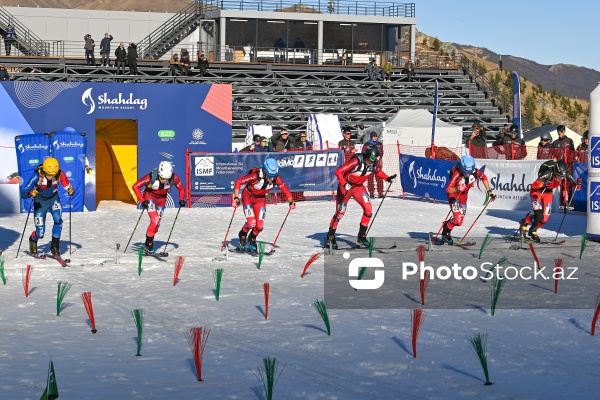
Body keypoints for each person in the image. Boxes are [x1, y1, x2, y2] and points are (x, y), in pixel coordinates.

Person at [324, 145, 395, 249]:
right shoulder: (356, 161)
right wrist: (344, 183)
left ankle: (361, 237)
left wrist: (387, 178)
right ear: (365, 156)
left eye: (373, 162)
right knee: (340, 213)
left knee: (368, 209)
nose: (371, 164)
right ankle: (330, 237)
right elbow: (338, 171)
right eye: (369, 161)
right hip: (346, 188)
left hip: (358, 188)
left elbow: (377, 171)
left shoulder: (374, 162)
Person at [232, 158, 295, 253]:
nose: (272, 179)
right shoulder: (255, 176)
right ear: (265, 172)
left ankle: (252, 238)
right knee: (251, 223)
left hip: (260, 199)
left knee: (259, 226)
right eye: (270, 176)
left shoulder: (276, 178)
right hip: (248, 196)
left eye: (274, 176)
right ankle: (242, 234)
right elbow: (238, 181)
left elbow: (285, 189)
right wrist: (236, 198)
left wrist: (291, 201)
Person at [20, 157, 75, 257]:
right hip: (40, 203)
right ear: (44, 170)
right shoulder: (37, 176)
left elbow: (67, 185)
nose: (51, 176)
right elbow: (23, 193)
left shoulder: (59, 173)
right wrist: (31, 193)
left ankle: (55, 247)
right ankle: (33, 239)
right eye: (49, 174)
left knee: (58, 220)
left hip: (53, 199)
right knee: (40, 233)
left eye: (53, 174)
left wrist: (70, 190)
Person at [518, 160, 581, 242]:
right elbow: (534, 184)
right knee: (539, 215)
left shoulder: (565, 174)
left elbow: (576, 187)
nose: (561, 178)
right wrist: (543, 184)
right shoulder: (548, 173)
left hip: (547, 193)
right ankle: (524, 222)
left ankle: (533, 230)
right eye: (559, 176)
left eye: (563, 177)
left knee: (544, 219)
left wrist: (578, 184)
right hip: (536, 192)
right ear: (555, 172)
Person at [132, 161, 186, 254]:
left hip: (162, 200)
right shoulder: (150, 177)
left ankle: (148, 242)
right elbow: (135, 186)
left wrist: (181, 199)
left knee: (157, 225)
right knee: (155, 220)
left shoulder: (174, 178)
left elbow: (181, 188)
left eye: (166, 178)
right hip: (150, 197)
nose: (164, 180)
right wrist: (142, 200)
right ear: (159, 174)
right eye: (162, 178)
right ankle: (149, 246)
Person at [441, 155, 495, 245]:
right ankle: (446, 231)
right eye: (466, 172)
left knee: (460, 222)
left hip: (463, 196)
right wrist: (457, 189)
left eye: (469, 171)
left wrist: (489, 192)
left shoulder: (475, 172)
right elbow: (448, 189)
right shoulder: (457, 173)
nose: (468, 174)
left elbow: (484, 177)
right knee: (457, 219)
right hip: (454, 195)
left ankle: (447, 224)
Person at [362, 132, 384, 198]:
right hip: (370, 163)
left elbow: (381, 153)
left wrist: (378, 158)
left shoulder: (379, 144)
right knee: (370, 179)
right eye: (374, 136)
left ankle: (380, 193)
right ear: (371, 137)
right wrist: (371, 158)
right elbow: (364, 152)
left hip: (377, 164)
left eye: (376, 136)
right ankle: (371, 193)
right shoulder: (366, 144)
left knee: (379, 178)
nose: (375, 138)